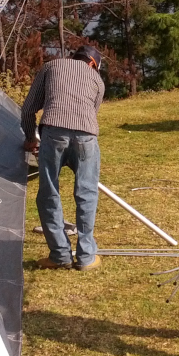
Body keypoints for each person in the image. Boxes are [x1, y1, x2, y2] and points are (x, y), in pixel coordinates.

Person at [21, 45, 105, 271]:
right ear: (93, 64)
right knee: (86, 193)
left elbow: (29, 109)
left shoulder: (51, 66)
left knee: (49, 192)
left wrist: (30, 137)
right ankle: (86, 257)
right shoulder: (97, 80)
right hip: (86, 138)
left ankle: (60, 255)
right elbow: (90, 114)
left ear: (74, 57)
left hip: (54, 133)